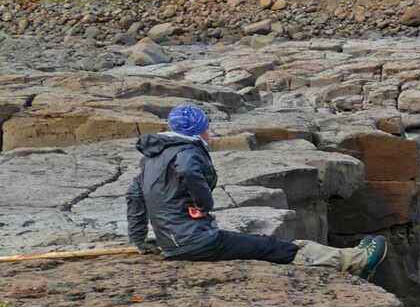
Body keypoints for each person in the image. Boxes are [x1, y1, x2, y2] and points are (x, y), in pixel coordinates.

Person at [126, 104, 388, 276]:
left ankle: (346, 255)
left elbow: (134, 196)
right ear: (200, 130)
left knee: (261, 242)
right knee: (275, 247)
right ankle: (354, 263)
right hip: (196, 242)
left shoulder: (152, 158)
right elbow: (188, 170)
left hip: (175, 242)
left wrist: (140, 241)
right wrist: (204, 205)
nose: (209, 132)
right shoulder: (188, 152)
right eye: (206, 127)